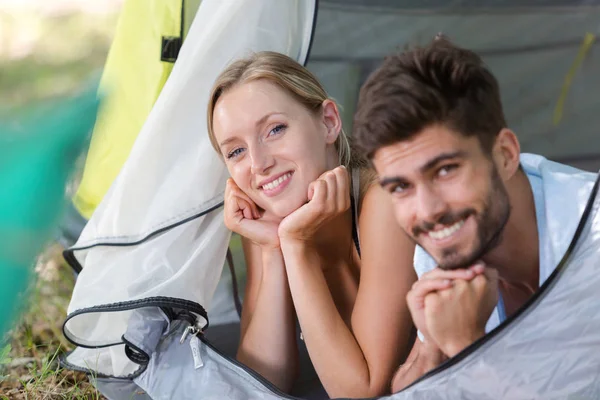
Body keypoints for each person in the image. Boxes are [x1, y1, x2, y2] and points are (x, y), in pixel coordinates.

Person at [352, 37, 598, 392]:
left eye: (445, 170)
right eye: (401, 187)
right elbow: (407, 389)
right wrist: (434, 347)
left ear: (505, 155)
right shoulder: (441, 244)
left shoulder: (591, 237)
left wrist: (467, 349)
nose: (428, 211)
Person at [206, 51, 420, 397]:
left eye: (275, 129)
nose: (259, 164)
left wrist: (296, 246)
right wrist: (277, 247)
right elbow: (261, 384)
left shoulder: (383, 201)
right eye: (236, 152)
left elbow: (361, 390)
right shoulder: (266, 219)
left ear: (329, 122)